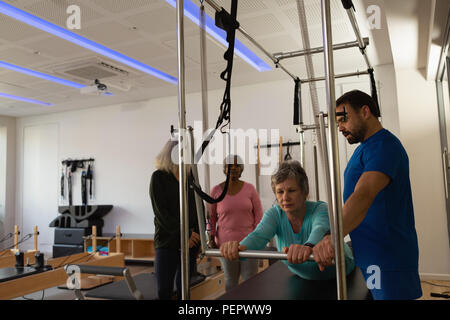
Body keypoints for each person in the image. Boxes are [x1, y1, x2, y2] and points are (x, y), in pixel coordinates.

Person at [313, 90, 422, 300]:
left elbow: (363, 195)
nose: (340, 128)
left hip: (388, 258)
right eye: (337, 124)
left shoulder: (385, 146)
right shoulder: (364, 149)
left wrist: (332, 238)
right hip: (370, 255)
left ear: (365, 112)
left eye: (343, 119)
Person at [220, 160, 355, 280]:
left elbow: (319, 229)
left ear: (304, 192)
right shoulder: (274, 214)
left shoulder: (320, 209)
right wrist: (237, 248)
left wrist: (307, 247)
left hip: (340, 275)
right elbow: (258, 236)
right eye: (280, 192)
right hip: (305, 279)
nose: (285, 197)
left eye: (291, 190)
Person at [149, 139, 201, 300]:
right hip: (167, 242)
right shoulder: (158, 177)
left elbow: (198, 207)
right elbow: (161, 213)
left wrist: (199, 237)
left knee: (184, 288)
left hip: (191, 243)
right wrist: (184, 234)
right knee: (164, 289)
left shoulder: (189, 178)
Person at [209, 155, 263, 291]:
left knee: (250, 280)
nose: (233, 168)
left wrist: (258, 240)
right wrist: (210, 237)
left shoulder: (250, 189)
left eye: (237, 165)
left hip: (249, 243)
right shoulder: (216, 191)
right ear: (224, 169)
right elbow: (211, 219)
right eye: (229, 165)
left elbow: (259, 217)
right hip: (225, 245)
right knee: (230, 281)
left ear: (241, 169)